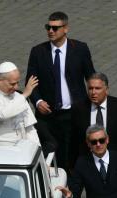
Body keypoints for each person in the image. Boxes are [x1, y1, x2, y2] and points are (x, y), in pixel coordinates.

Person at [26, 11, 95, 169]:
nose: (50, 31)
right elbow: (31, 82)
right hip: (48, 115)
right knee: (51, 153)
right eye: (48, 27)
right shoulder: (38, 52)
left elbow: (90, 76)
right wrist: (38, 101)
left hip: (73, 112)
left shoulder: (80, 49)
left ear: (66, 29)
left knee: (73, 154)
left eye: (55, 28)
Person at [71, 72, 117, 159]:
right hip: (89, 160)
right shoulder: (79, 109)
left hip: (116, 159)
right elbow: (73, 139)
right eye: (90, 88)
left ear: (106, 89)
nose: (93, 92)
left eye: (97, 88)